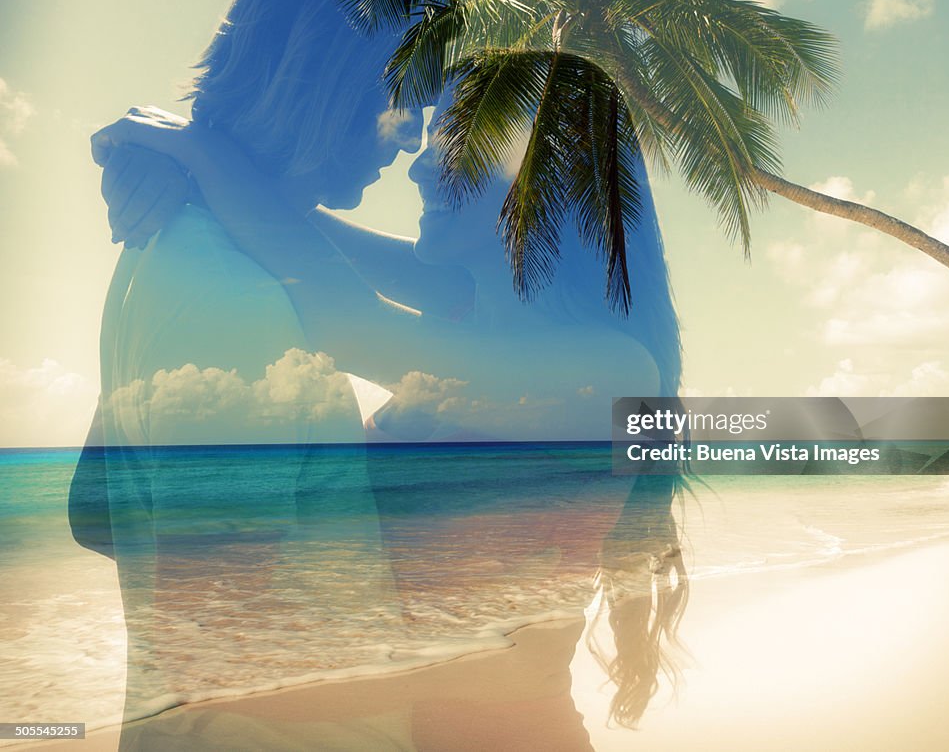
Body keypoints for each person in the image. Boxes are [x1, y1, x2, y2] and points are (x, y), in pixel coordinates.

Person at [93, 95, 689, 745]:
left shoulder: (616, 372)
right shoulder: (471, 308)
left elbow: (348, 323)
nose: (419, 168)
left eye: (455, 147)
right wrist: (176, 172)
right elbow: (292, 225)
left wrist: (200, 153)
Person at [70, 0, 426, 751]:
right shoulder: (235, 297)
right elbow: (214, 650)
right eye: (403, 97)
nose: (412, 137)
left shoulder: (168, 250)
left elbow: (95, 511)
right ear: (329, 80)